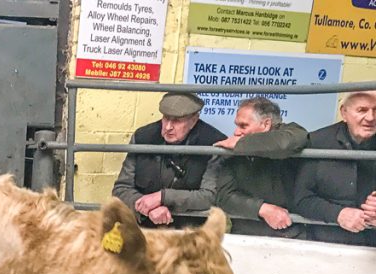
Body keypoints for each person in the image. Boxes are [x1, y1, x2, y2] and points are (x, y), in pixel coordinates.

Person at [112, 92, 226, 227]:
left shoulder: (213, 144)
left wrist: (163, 197)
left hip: (190, 230)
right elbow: (121, 188)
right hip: (145, 226)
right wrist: (147, 206)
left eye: (177, 121)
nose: (168, 127)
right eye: (166, 118)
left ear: (194, 120)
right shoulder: (143, 137)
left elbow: (210, 197)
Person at [214, 96, 308, 238]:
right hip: (246, 232)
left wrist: (243, 144)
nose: (236, 132)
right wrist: (261, 209)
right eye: (237, 125)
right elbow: (224, 196)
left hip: (290, 233)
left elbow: (285, 143)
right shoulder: (234, 148)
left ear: (266, 124)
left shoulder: (292, 131)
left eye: (243, 126)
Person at [293, 91, 376, 246]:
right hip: (324, 244)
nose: (371, 117)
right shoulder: (318, 141)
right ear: (344, 113)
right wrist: (338, 214)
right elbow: (301, 199)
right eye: (362, 110)